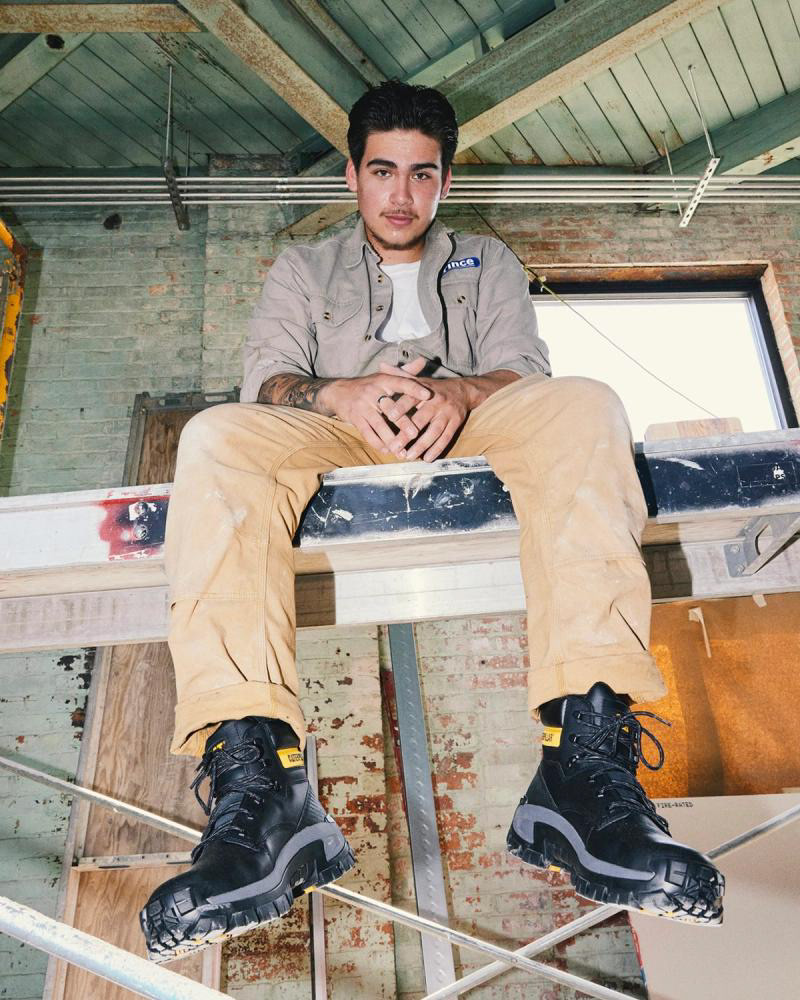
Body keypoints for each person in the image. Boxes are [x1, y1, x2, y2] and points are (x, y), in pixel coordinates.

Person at [140, 81, 724, 963]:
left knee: (585, 404)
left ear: (445, 181)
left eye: (421, 174)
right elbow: (268, 380)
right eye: (383, 172)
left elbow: (523, 368)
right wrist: (340, 393)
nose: (401, 194)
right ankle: (262, 786)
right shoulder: (304, 268)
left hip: (473, 427)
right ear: (353, 176)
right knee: (219, 436)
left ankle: (583, 763)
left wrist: (462, 393)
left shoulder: (487, 260)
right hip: (337, 431)